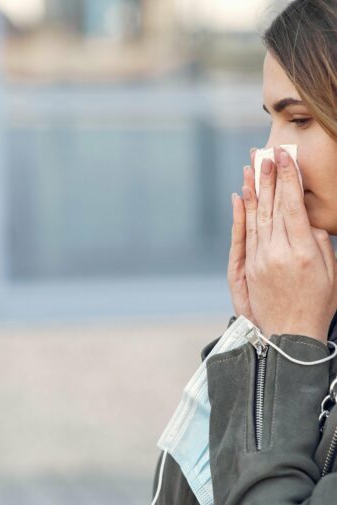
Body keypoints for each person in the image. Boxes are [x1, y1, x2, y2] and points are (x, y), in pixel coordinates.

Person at [151, 0, 337, 503]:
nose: (270, 154)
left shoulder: (308, 324)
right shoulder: (320, 304)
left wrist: (291, 348)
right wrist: (258, 337)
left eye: (298, 119)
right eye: (271, 121)